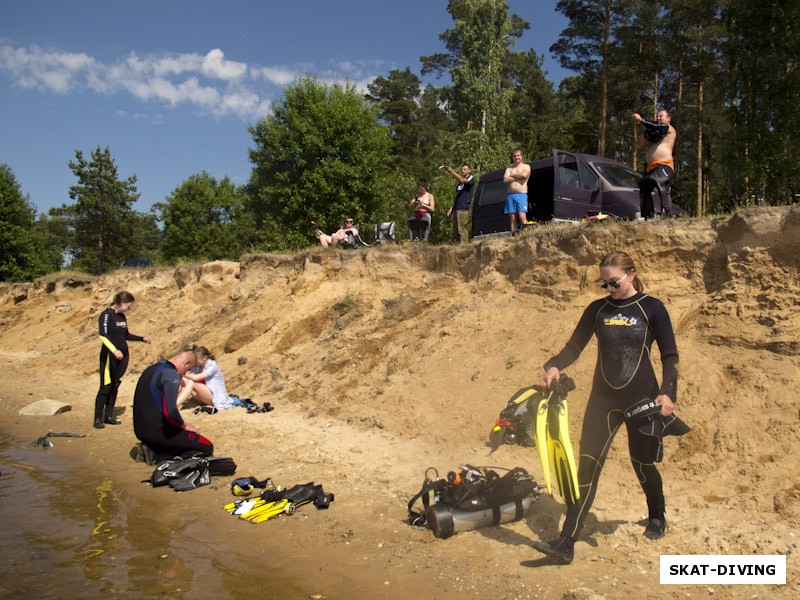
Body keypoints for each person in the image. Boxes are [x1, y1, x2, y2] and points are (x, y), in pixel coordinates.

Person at [532, 250, 683, 564]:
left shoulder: (652, 308)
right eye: (604, 284)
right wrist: (555, 365)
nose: (609, 290)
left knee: (642, 463)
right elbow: (575, 345)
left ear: (631, 274)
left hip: (642, 400)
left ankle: (657, 517)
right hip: (603, 400)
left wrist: (668, 393)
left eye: (613, 283)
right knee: (586, 467)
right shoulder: (597, 310)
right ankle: (566, 541)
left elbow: (670, 355)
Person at [132, 344, 214, 457]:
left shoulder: (152, 368)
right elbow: (170, 412)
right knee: (206, 447)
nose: (184, 374)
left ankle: (155, 449)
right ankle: (160, 455)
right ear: (186, 363)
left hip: (140, 431)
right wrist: (184, 425)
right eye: (187, 370)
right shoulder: (171, 375)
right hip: (157, 433)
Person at [93, 291, 152, 429]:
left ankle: (108, 416)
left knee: (115, 385)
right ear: (121, 303)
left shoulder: (121, 317)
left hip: (123, 356)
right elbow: (103, 335)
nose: (129, 308)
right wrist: (114, 350)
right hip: (109, 356)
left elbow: (126, 335)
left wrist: (142, 339)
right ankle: (97, 418)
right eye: (129, 305)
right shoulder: (106, 315)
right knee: (106, 386)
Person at [633, 109, 676, 219]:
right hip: (650, 167)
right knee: (644, 186)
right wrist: (649, 133)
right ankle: (647, 216)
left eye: (661, 116)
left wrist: (642, 120)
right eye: (657, 116)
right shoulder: (657, 134)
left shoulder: (669, 129)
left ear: (668, 118)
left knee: (657, 182)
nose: (658, 118)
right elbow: (642, 142)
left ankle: (665, 215)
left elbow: (658, 126)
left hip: (664, 165)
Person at [181, 346, 232, 410]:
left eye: (197, 359)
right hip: (204, 397)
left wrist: (182, 372)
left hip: (214, 397)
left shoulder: (212, 366)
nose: (195, 361)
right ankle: (171, 402)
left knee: (191, 383)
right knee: (181, 379)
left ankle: (176, 404)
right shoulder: (197, 366)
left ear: (205, 357)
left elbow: (195, 378)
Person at [444, 164, 475, 243]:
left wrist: (451, 171)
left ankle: (464, 246)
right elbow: (458, 196)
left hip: (463, 208)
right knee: (454, 231)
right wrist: (452, 208)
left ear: (469, 170)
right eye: (462, 169)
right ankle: (455, 247)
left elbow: (463, 181)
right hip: (456, 208)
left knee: (462, 228)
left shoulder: (470, 178)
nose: (462, 171)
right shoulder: (459, 185)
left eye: (464, 169)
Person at [503, 149, 531, 236]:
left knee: (522, 215)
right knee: (512, 217)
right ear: (512, 157)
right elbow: (505, 179)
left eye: (518, 155)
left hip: (521, 194)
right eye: (515, 156)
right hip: (510, 195)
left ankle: (526, 234)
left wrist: (512, 175)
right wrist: (517, 177)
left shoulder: (526, 166)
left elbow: (524, 175)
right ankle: (513, 235)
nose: (516, 157)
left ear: (521, 156)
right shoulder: (509, 168)